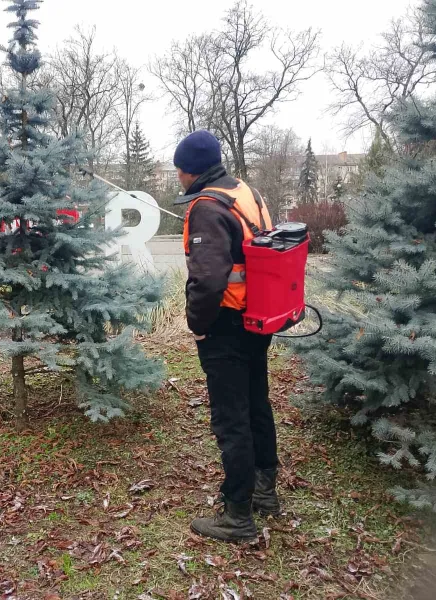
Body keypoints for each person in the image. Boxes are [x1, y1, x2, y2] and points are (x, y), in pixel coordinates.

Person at [173, 130, 279, 542]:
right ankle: (265, 492)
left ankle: (238, 515)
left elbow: (208, 280)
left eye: (180, 170)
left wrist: (198, 326)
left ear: (192, 170)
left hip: (227, 325)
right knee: (256, 403)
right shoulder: (243, 192)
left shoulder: (206, 207)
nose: (178, 177)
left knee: (230, 417)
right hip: (258, 319)